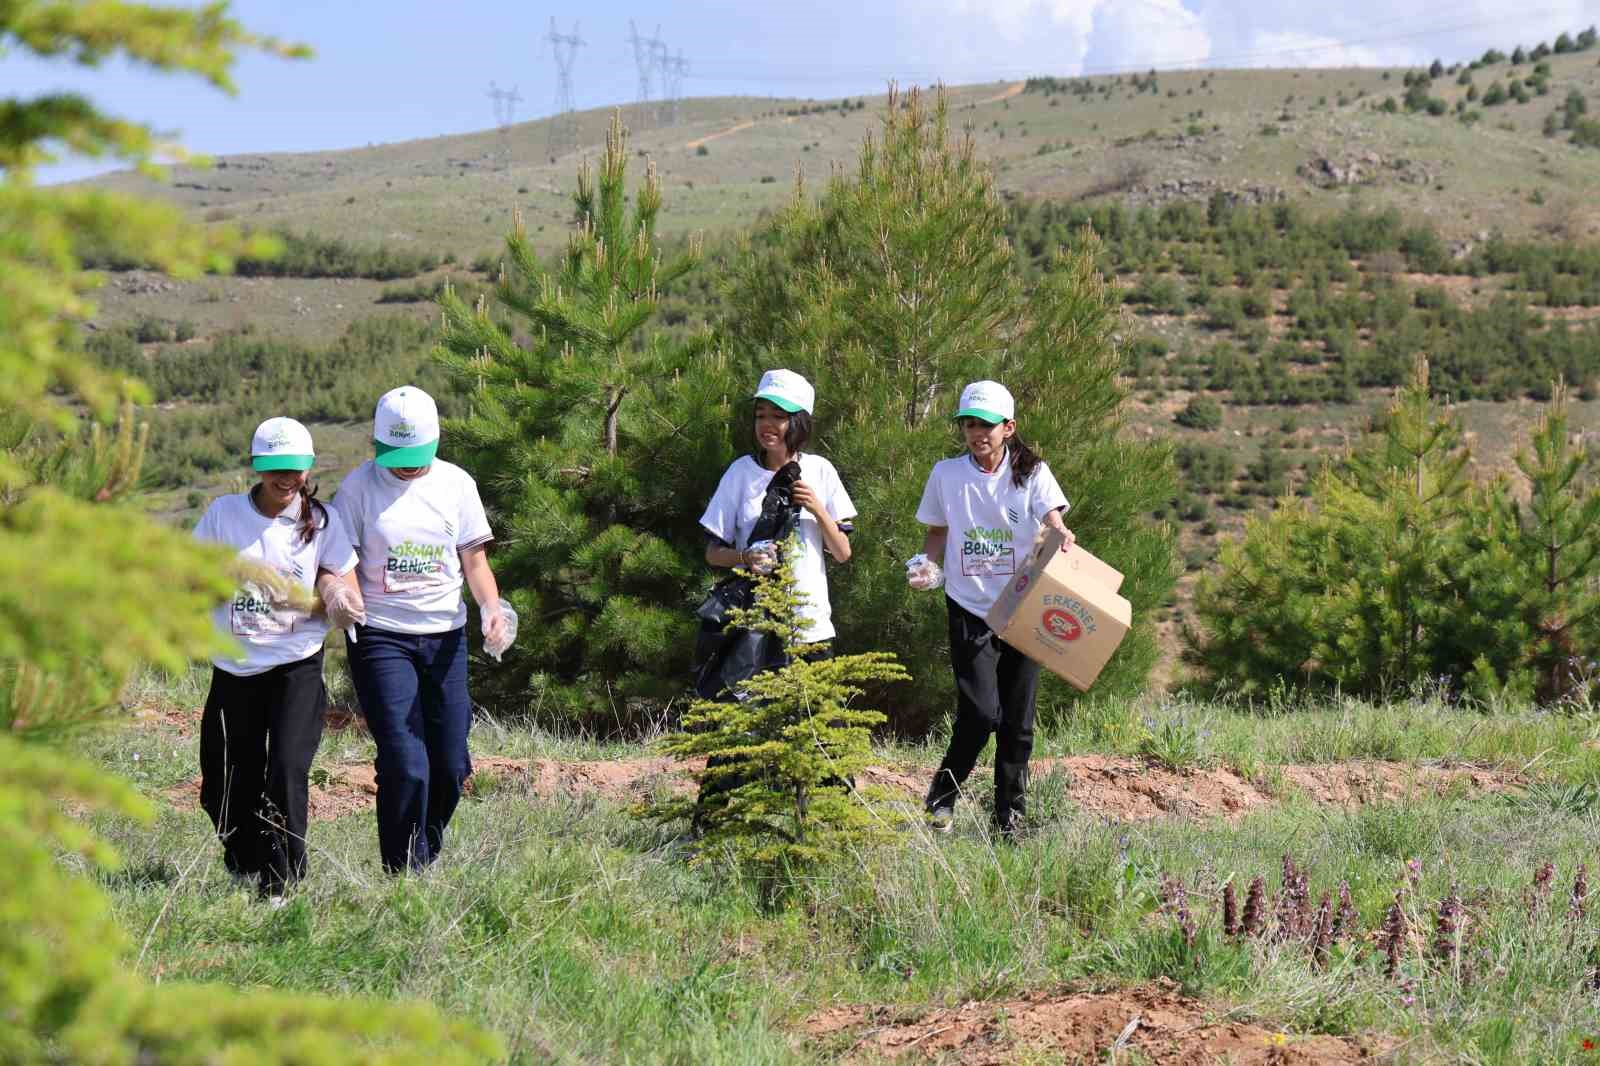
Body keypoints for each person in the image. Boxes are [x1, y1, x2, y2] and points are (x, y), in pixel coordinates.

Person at [331, 385, 511, 874]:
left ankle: (425, 848)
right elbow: (340, 560)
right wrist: (344, 595)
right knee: (405, 762)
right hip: (381, 636)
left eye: (417, 455)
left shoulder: (456, 484)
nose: (407, 466)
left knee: (452, 764)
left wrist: (490, 608)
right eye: (397, 455)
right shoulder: (358, 488)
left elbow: (474, 560)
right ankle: (401, 869)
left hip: (445, 637)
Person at [194, 417, 365, 901]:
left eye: (295, 469)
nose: (286, 479)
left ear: (309, 469)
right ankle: (246, 863)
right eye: (275, 470)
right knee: (224, 782)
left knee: (286, 770)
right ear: (258, 467)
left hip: (296, 667)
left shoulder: (322, 522)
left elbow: (344, 590)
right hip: (235, 667)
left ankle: (281, 884)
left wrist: (326, 600)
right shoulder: (224, 515)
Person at [908, 380, 1074, 837]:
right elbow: (937, 530)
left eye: (986, 424)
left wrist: (1060, 531)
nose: (976, 432)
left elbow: (1051, 513)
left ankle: (1009, 820)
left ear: (1008, 427)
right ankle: (941, 800)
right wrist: (927, 563)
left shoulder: (1032, 471)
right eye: (968, 424)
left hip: (1022, 605)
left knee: (1018, 721)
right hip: (969, 605)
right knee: (981, 714)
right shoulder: (946, 474)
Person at [699, 368, 856, 654]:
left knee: (813, 701)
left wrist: (817, 509)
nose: (766, 424)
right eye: (761, 415)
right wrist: (746, 557)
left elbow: (843, 553)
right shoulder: (740, 473)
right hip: (754, 631)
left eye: (779, 416)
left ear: (798, 422)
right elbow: (712, 552)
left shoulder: (821, 471)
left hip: (810, 627)